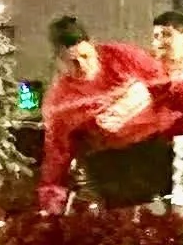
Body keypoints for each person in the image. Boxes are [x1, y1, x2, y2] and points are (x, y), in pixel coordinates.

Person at [37, 16, 170, 211]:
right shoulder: (60, 101)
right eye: (72, 62)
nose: (82, 66)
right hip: (110, 164)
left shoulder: (122, 56)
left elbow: (165, 86)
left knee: (171, 211)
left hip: (154, 147)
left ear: (92, 45)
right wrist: (51, 194)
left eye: (85, 56)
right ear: (59, 60)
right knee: (127, 219)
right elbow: (58, 152)